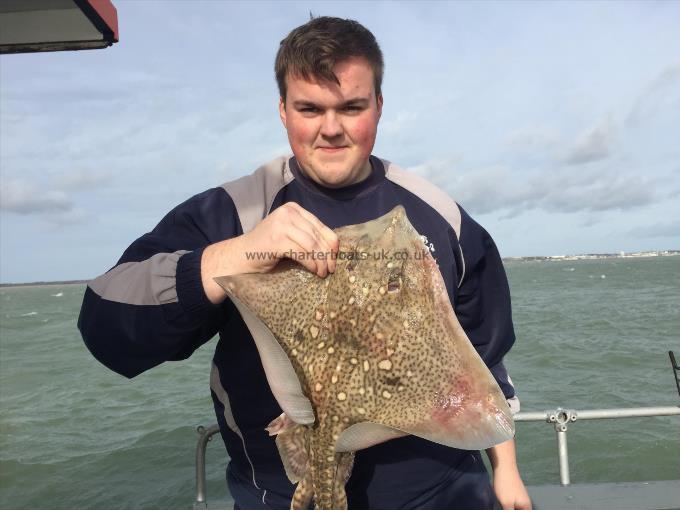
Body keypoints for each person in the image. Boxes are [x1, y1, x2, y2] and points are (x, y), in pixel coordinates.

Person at [78, 16, 532, 510]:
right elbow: (104, 323)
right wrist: (238, 253)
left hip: (441, 490)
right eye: (310, 109)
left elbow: (480, 353)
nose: (331, 129)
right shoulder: (236, 211)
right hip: (282, 492)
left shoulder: (440, 215)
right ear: (283, 110)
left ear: (379, 106)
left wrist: (505, 470)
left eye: (352, 107)